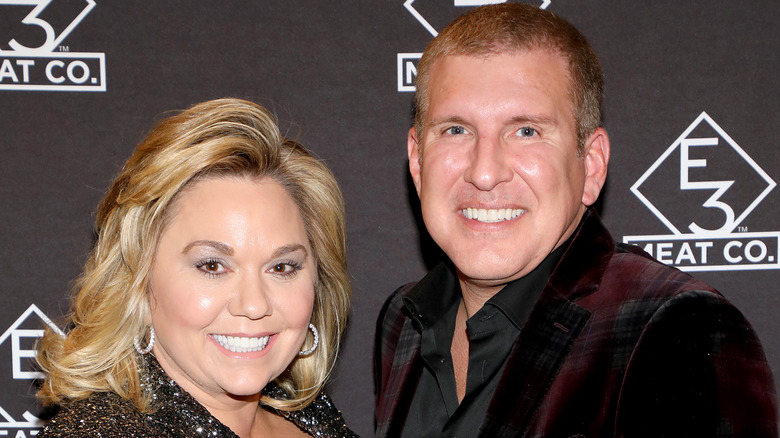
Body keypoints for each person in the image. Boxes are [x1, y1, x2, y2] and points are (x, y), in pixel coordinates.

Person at [374, 4, 777, 438]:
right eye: (456, 130)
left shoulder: (676, 330)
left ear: (591, 165)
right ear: (417, 160)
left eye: (526, 130)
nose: (484, 172)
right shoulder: (403, 322)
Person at [36, 98, 358, 437]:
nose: (254, 304)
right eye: (213, 265)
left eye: (281, 267)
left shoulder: (314, 419)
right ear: (139, 284)